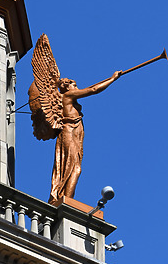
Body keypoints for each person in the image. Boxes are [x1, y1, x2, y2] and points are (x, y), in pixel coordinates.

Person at [50, 71, 122, 202]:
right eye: (75, 85)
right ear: (67, 86)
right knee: (74, 168)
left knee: (72, 167)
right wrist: (112, 79)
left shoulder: (70, 97)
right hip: (69, 133)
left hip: (75, 134)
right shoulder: (68, 95)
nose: (77, 88)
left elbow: (91, 88)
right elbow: (93, 89)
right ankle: (66, 200)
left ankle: (65, 198)